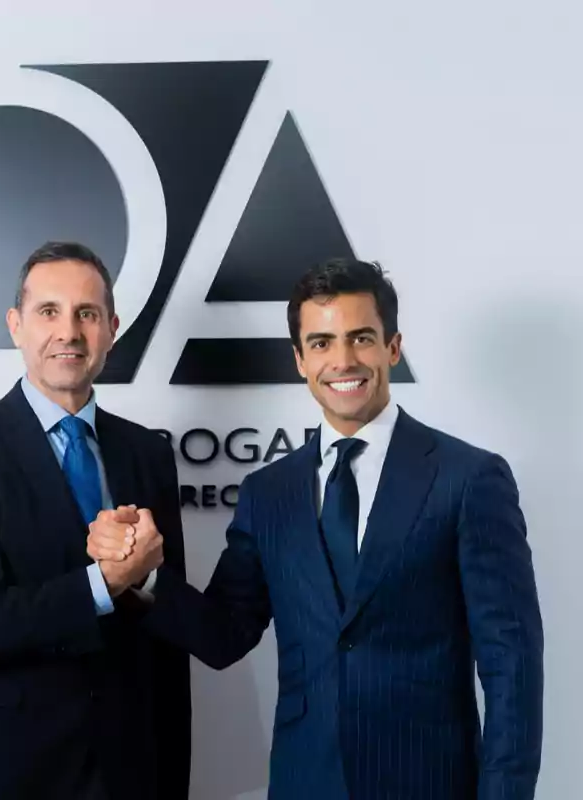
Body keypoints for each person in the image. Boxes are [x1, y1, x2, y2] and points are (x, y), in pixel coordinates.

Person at [90, 259, 544, 799]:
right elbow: (224, 633)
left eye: (361, 338)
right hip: (307, 782)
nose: (343, 360)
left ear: (392, 348)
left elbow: (511, 663)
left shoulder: (468, 478)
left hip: (430, 783)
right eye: (323, 343)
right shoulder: (269, 493)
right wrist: (145, 578)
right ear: (301, 360)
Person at [0, 241, 191, 799]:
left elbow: (165, 644)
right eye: (48, 312)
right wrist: (104, 583)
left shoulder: (147, 455)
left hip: (124, 770)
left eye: (87, 314)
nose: (69, 332)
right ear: (16, 325)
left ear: (112, 328)